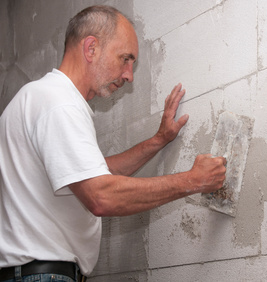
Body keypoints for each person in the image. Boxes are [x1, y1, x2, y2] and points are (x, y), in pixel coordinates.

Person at [0, 5, 226, 282]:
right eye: (125, 59)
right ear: (91, 49)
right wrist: (193, 181)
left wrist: (159, 140)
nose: (129, 75)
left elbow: (94, 173)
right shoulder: (57, 102)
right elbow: (101, 195)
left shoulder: (42, 97)